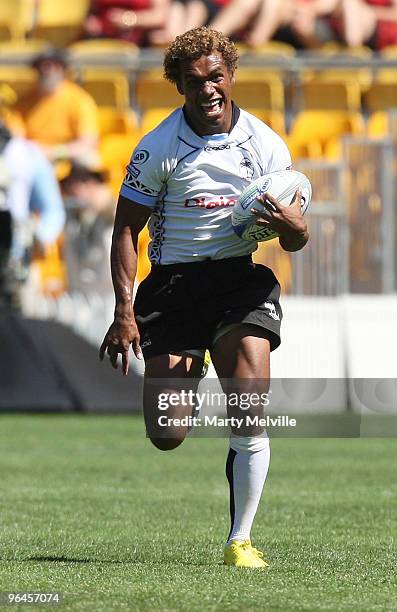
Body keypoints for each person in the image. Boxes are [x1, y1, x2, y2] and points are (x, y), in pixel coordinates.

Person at [99, 27, 308, 568]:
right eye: (194, 82)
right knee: (168, 432)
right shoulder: (158, 148)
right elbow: (126, 231)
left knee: (248, 404)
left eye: (216, 76)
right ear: (179, 86)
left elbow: (294, 237)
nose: (208, 89)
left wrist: (294, 227)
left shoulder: (265, 145)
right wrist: (125, 311)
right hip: (174, 289)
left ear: (232, 75)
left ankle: (240, 541)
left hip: (239, 282)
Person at [0, 121, 65, 309]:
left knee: (19, 331)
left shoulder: (25, 154)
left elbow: (53, 209)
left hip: (17, 263)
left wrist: (40, 236)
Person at [15, 48, 99, 166]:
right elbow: (14, 139)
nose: (45, 71)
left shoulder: (79, 99)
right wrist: (33, 152)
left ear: (62, 69)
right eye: (40, 67)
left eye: (49, 66)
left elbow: (88, 142)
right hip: (32, 156)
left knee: (88, 160)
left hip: (66, 154)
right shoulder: (24, 101)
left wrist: (55, 152)